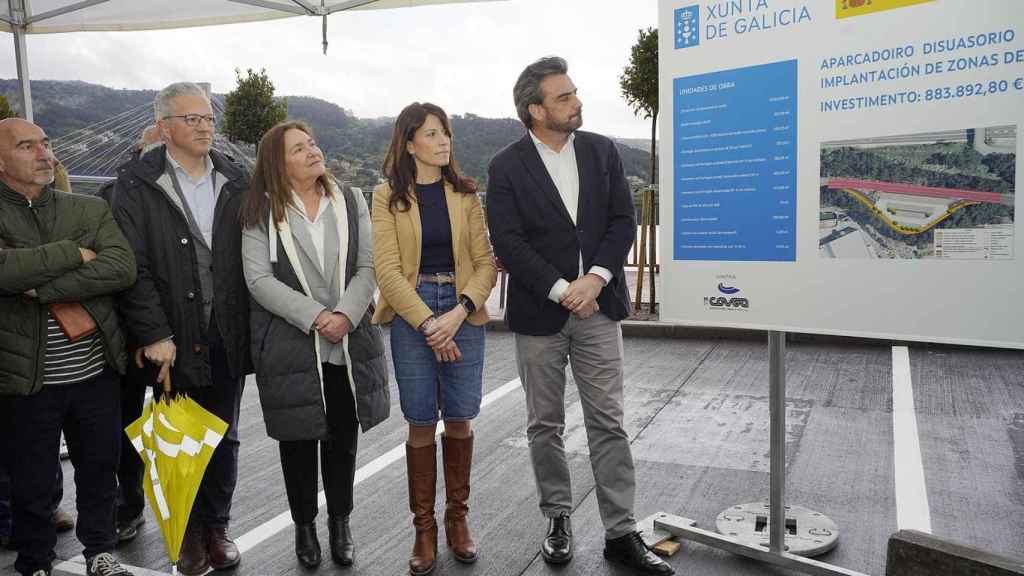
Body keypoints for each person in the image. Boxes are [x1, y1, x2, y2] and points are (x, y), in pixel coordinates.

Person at [486, 57, 674, 575]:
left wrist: (595, 279)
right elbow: (508, 241)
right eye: (564, 97)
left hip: (599, 307)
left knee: (608, 422)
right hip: (539, 313)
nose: (576, 102)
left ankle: (621, 532)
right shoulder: (506, 166)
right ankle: (558, 519)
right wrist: (562, 289)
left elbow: (622, 220)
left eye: (574, 93)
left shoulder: (601, 150)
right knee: (544, 425)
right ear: (535, 110)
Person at [111, 83, 252, 575]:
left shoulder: (235, 178)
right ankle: (187, 533)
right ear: (164, 127)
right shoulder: (136, 184)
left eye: (208, 118)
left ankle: (217, 528)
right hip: (170, 336)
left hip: (225, 329)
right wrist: (153, 333)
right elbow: (132, 266)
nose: (205, 127)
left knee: (224, 435)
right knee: (179, 438)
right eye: (192, 119)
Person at [240, 120, 389, 568]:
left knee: (343, 439)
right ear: (278, 163)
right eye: (299, 149)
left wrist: (344, 315)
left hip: (347, 340)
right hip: (293, 343)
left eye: (313, 143)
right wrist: (317, 316)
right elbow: (258, 279)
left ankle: (340, 523)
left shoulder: (350, 200)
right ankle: (304, 526)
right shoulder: (260, 209)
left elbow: (368, 267)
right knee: (298, 441)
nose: (312, 152)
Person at [0, 117, 137, 576]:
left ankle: (100, 552)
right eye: (27, 146)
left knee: (100, 468)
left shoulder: (87, 208)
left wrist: (39, 286)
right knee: (32, 480)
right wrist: (73, 254)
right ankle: (35, 561)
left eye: (45, 143)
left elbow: (120, 267)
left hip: (95, 371)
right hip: (24, 378)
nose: (45, 154)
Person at [372, 103, 497, 576]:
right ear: (408, 144)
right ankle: (423, 529)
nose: (444, 141)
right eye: (431, 133)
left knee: (460, 417)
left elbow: (485, 264)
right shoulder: (386, 196)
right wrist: (430, 324)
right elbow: (387, 271)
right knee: (421, 421)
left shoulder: (466, 195)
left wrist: (460, 311)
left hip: (462, 307)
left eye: (445, 132)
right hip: (413, 311)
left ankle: (457, 520)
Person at [97, 124, 161, 544]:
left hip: (183, 333)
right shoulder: (110, 196)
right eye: (153, 147)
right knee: (124, 426)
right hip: (126, 337)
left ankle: (196, 520)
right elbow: (111, 267)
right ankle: (129, 506)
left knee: (190, 428)